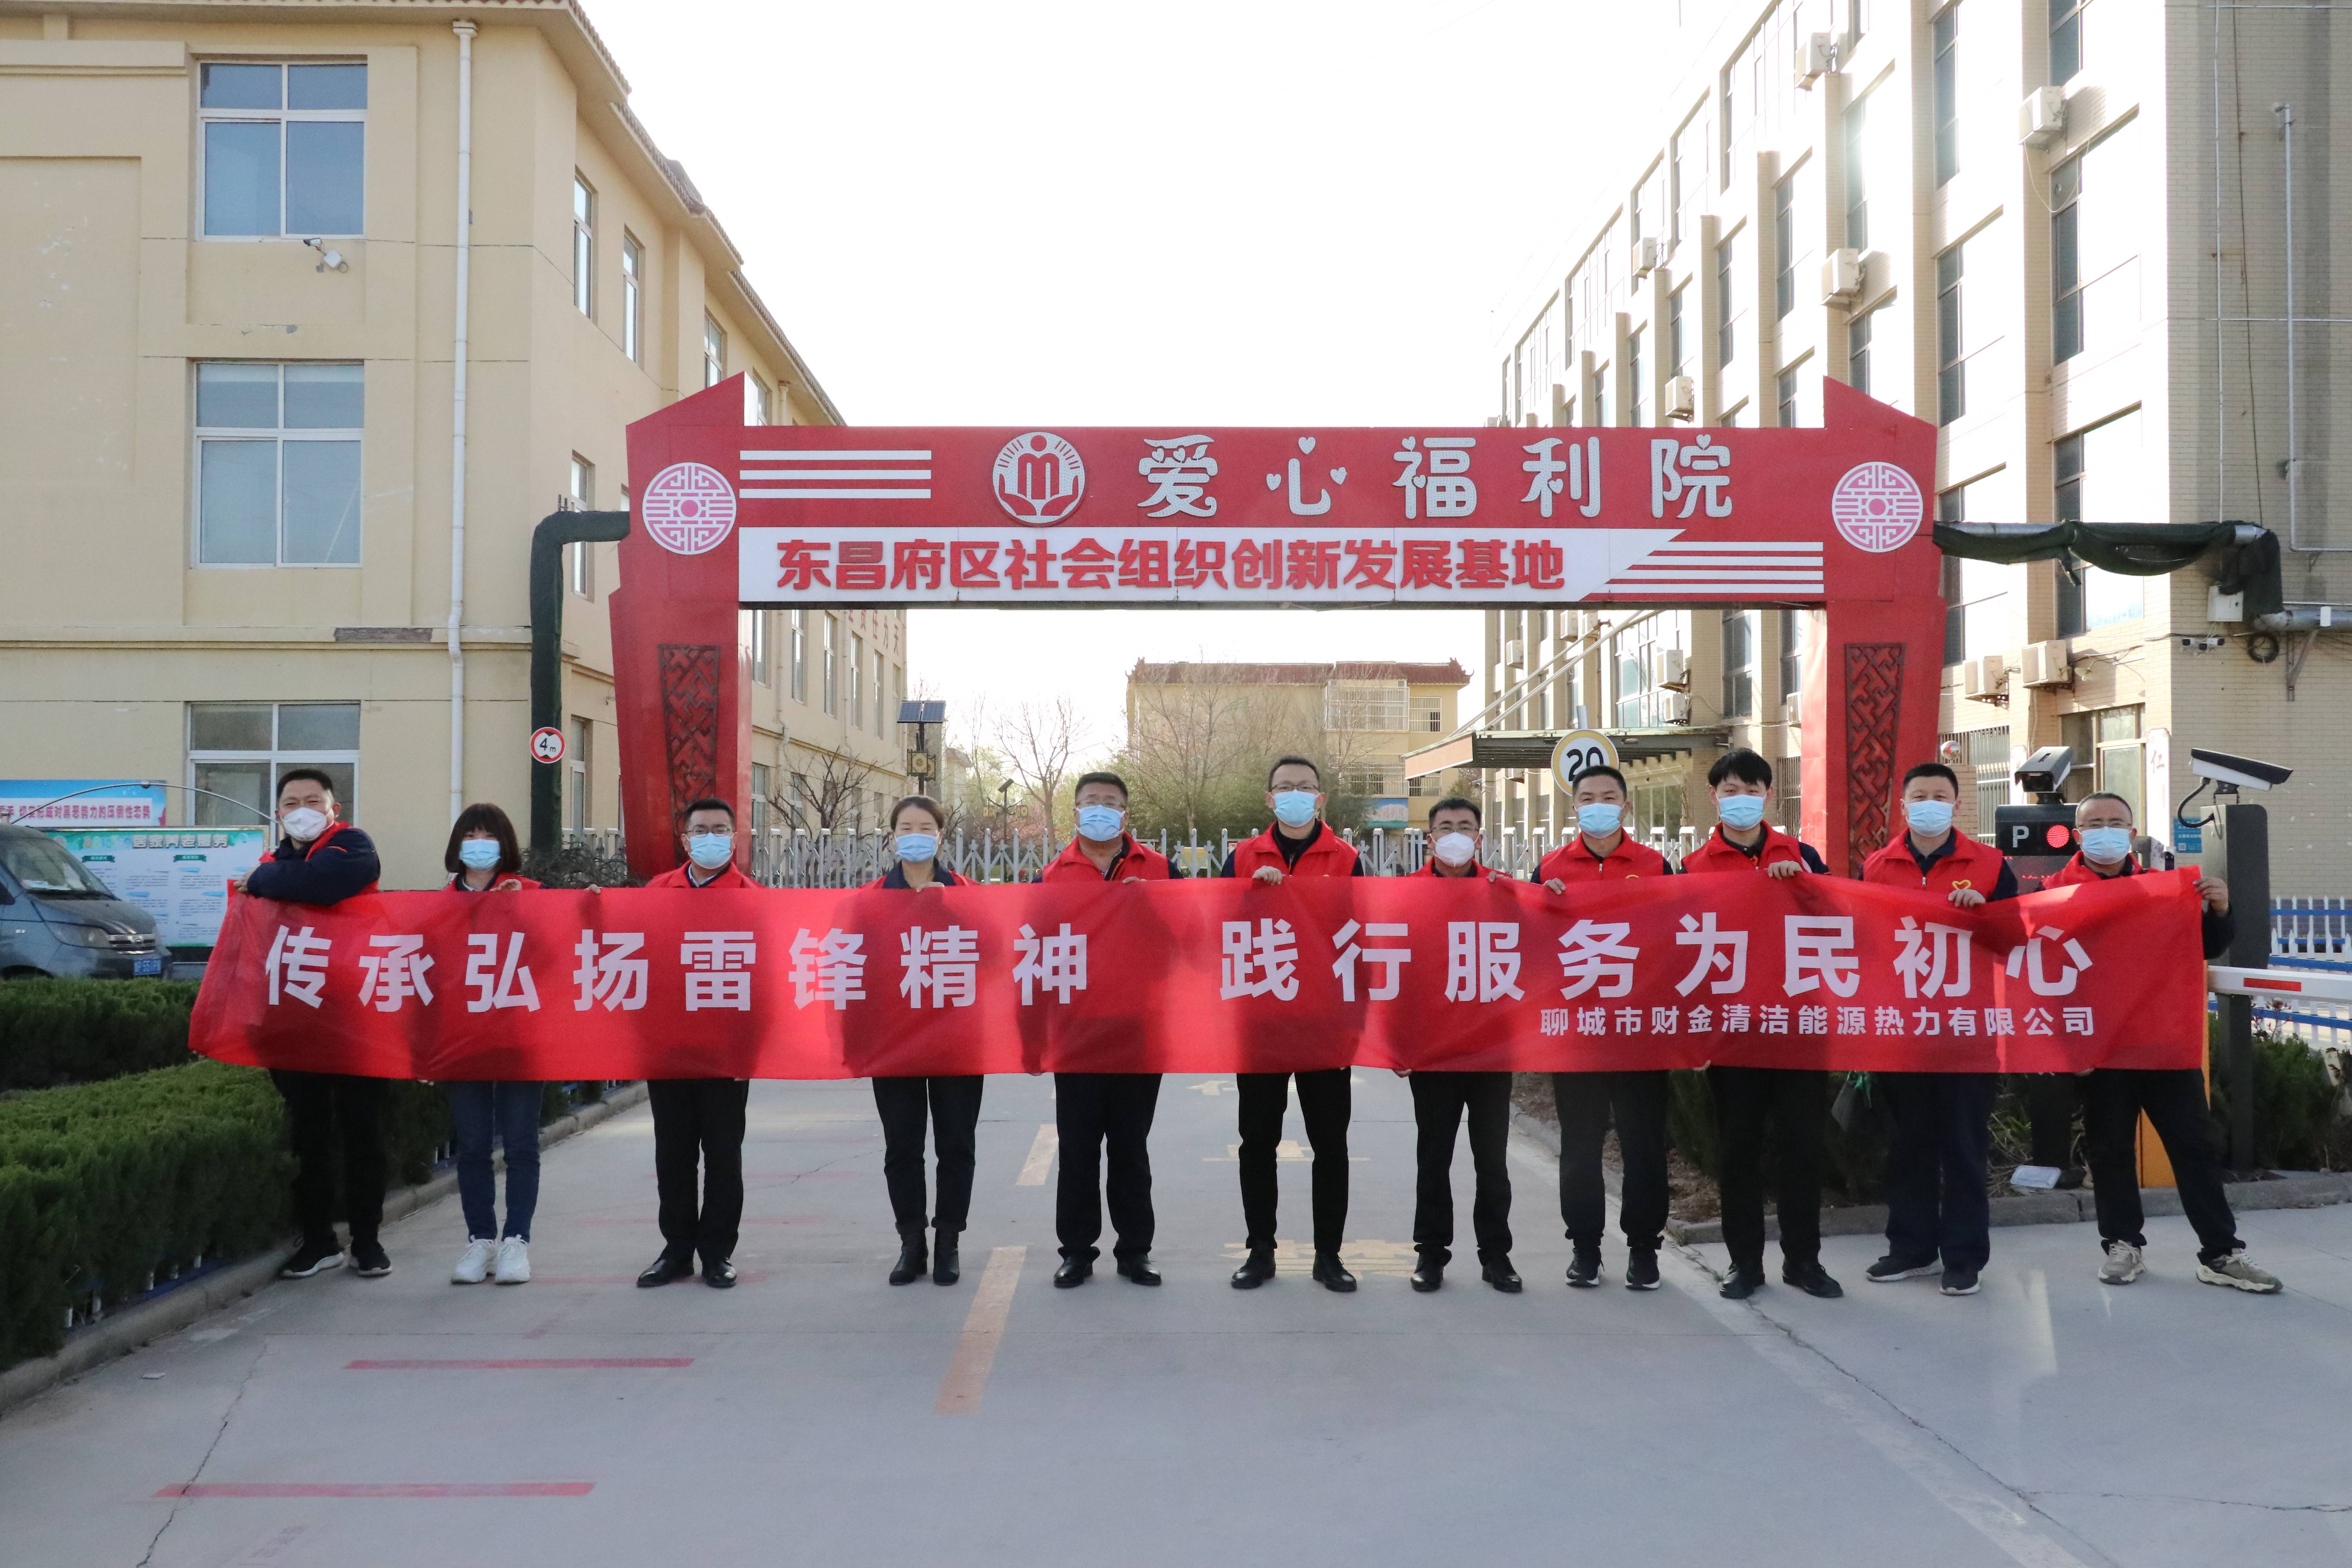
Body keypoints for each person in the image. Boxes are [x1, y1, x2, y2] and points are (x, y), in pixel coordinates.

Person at [2050, 794, 2281, 1293]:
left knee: (2195, 1148)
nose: (2106, 831)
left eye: (2116, 822)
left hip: (2162, 1043)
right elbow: (2034, 973)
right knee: (2110, 1151)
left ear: (2132, 832)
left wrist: (2220, 908)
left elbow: (2206, 945)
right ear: (2077, 835)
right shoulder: (2053, 894)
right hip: (2100, 1048)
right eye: (2095, 823)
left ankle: (2221, 1252)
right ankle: (2122, 1244)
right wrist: (2067, 1047)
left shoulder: (2162, 889)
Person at [1680, 750, 1843, 1301]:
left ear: (1769, 795)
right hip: (1734, 1032)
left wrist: (1804, 885)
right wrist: (1693, 1038)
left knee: (1802, 1149)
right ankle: (1744, 1263)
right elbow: (1679, 952)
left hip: (1799, 1027)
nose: (1741, 798)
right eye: (1730, 790)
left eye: (1751, 789)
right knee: (1738, 1152)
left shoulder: (1804, 856)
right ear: (1714, 797)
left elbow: (1839, 922)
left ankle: (1804, 1260)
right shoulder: (1693, 868)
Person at [1858, 762, 2019, 1298]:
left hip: (1967, 1030)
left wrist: (1986, 913)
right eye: (1920, 796)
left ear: (1956, 805)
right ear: (1904, 806)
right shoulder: (1877, 866)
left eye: (1940, 796)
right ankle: (1912, 1247)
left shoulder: (1991, 865)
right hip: (1902, 1029)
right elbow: (1864, 941)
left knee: (1964, 1147)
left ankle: (1964, 1256)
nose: (1930, 804)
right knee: (1908, 1146)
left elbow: (2016, 940)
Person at [1219, 755, 1369, 1293]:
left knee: (1330, 1143)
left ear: (1321, 799)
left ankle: (1329, 1255)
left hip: (1324, 1024)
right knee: (1257, 1142)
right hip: (1261, 1023)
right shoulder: (1242, 857)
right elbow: (1217, 929)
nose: (1295, 795)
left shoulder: (1346, 858)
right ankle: (1260, 1250)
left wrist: (1358, 1020)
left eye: (1305, 787)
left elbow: (1363, 935)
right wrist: (1252, 895)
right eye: (1285, 787)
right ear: (1269, 799)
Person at [234, 769, 390, 1281]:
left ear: (332, 809)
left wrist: (262, 882)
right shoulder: (271, 864)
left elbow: (322, 884)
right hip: (295, 1022)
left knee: (362, 1133)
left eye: (312, 801)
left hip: (356, 1020)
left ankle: (367, 1241)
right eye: (291, 802)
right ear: (278, 813)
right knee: (310, 1136)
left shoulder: (353, 847)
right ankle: (319, 1241)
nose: (302, 810)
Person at [1532, 765, 1672, 1292]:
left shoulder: (1656, 865)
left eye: (1609, 797)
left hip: (1641, 1032)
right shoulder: (1550, 868)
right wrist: (1541, 903)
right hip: (1578, 1034)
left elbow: (1680, 939)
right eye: (1588, 798)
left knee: (1644, 1146)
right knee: (1580, 1146)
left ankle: (1644, 1249)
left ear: (1626, 806)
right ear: (1574, 808)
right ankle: (1585, 1248)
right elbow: (1530, 946)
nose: (1599, 806)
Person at [1038, 772, 1176, 1288]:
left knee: (1130, 1147)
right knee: (1077, 1148)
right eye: (1091, 802)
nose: (1101, 809)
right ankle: (1077, 1251)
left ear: (1125, 814)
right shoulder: (1052, 876)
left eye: (1110, 802)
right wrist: (1032, 1036)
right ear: (1075, 812)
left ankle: (1135, 1251)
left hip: (1140, 1030)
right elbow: (1033, 954)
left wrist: (1151, 909)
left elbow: (1190, 941)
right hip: (1076, 1033)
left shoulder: (1160, 870)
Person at [637, 798, 754, 1290]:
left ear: (735, 837)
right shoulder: (656, 893)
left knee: (723, 1154)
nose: (712, 837)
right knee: (674, 1153)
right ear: (685, 840)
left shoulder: (752, 898)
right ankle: (677, 1250)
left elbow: (766, 978)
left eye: (720, 829)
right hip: (669, 1048)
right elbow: (630, 952)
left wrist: (754, 1047)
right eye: (701, 829)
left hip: (726, 1051)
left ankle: (717, 1252)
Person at [1403, 796, 1519, 1294]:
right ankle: (1431, 1254)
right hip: (1433, 1051)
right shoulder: (1406, 895)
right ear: (1430, 839)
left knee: (1492, 1160)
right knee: (1434, 1157)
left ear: (1480, 837)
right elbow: (1390, 976)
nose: (1456, 835)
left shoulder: (1504, 892)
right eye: (1446, 827)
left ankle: (1497, 1255)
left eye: (1465, 827)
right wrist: (1398, 1044)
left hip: (1492, 1049)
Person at [867, 795, 983, 1288]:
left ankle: (949, 1240)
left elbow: (999, 953)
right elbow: (851, 964)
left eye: (925, 827)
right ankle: (911, 1242)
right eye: (906, 827)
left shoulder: (968, 893)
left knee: (956, 1144)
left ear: (941, 835)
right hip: (894, 1042)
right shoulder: (872, 897)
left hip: (958, 1040)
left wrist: (949, 910)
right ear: (892, 835)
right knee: (902, 1146)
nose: (915, 835)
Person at [440, 803, 543, 1287]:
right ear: (457, 845)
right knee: (474, 1145)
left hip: (521, 1038)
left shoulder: (534, 896)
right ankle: (480, 1239)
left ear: (506, 845)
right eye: (471, 835)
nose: (479, 845)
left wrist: (522, 910)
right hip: (464, 1041)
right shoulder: (440, 904)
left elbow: (563, 951)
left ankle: (516, 1240)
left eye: (489, 836)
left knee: (522, 1144)